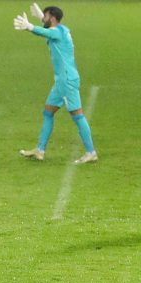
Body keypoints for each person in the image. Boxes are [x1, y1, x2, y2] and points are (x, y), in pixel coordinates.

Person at [14, 4, 98, 164]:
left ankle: (91, 152)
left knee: (78, 116)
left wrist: (30, 27)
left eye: (45, 16)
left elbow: (45, 31)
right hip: (61, 81)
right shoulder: (62, 29)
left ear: (52, 18)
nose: (43, 19)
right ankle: (40, 150)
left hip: (66, 81)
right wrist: (40, 17)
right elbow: (49, 29)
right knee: (48, 112)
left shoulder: (55, 32)